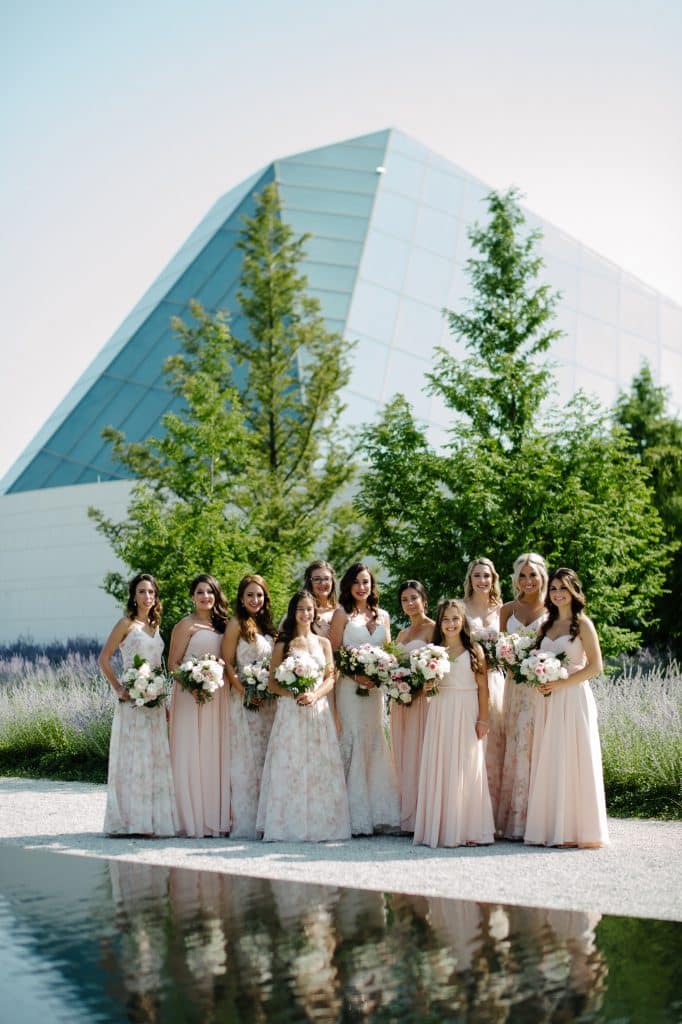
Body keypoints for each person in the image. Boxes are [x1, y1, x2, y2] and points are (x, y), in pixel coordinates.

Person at [524, 568, 609, 847]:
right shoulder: (545, 624)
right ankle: (550, 828)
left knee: (573, 756)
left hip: (572, 697)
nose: (558, 593)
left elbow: (596, 667)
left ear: (574, 591)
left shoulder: (582, 624)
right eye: (554, 588)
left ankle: (576, 829)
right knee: (549, 756)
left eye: (563, 588)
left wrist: (562, 683)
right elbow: (535, 658)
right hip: (547, 699)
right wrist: (538, 675)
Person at [257, 590, 351, 841]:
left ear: (315, 612)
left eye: (310, 609)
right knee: (291, 763)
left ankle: (322, 824)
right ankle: (288, 824)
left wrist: (315, 695)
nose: (306, 613)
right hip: (290, 711)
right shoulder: (283, 644)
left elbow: (331, 677)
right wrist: (294, 693)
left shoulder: (324, 643)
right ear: (293, 612)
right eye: (301, 609)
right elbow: (272, 684)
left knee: (319, 763)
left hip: (317, 710)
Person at [100, 573, 177, 837]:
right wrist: (120, 688)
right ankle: (129, 821)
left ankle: (151, 821)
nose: (147, 597)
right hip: (133, 701)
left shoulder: (155, 627)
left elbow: (158, 667)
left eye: (151, 593)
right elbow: (104, 659)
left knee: (153, 758)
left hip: (154, 701)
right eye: (142, 592)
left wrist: (163, 699)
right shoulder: (126, 624)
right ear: (134, 595)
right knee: (133, 758)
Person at [413, 599, 494, 848]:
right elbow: (428, 688)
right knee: (442, 764)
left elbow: (483, 688)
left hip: (467, 710)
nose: (450, 624)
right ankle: (441, 827)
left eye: (455, 619)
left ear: (463, 621)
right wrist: (427, 686)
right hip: (441, 710)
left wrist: (483, 719)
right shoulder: (432, 650)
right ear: (440, 622)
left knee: (467, 766)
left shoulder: (474, 650)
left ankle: (468, 828)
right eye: (446, 619)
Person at [329, 562, 400, 836]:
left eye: (366, 582)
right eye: (357, 582)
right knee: (354, 736)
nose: (362, 587)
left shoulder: (383, 615)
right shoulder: (341, 614)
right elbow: (334, 653)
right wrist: (357, 676)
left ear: (372, 586)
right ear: (349, 585)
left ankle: (377, 811)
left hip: (375, 691)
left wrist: (381, 672)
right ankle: (351, 814)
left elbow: (390, 651)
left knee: (375, 739)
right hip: (349, 687)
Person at [168, 574, 230, 837]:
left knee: (213, 751)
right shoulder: (185, 625)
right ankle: (187, 819)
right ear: (192, 596)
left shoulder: (223, 625)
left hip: (217, 696)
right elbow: (173, 663)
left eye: (210, 592)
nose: (206, 597)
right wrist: (193, 682)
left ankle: (212, 818)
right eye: (200, 592)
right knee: (190, 751)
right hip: (189, 695)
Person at [497, 552, 548, 840]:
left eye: (533, 574)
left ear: (542, 576)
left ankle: (540, 818)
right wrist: (511, 658)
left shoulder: (552, 609)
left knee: (538, 745)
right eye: (523, 575)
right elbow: (501, 651)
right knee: (516, 744)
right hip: (515, 686)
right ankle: (515, 821)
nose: (528, 580)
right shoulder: (507, 610)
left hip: (540, 688)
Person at [221, 573, 277, 838]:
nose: (255, 599)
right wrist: (246, 691)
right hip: (245, 700)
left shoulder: (269, 627)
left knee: (267, 757)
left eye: (259, 595)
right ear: (241, 599)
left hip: (268, 702)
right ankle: (246, 821)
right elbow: (227, 663)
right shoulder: (236, 624)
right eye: (250, 595)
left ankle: (267, 818)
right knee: (247, 759)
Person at [463, 558, 506, 828]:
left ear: (494, 579)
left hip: (497, 681)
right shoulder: (461, 608)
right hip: (469, 681)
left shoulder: (502, 610)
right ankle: (471, 812)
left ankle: (495, 814)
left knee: (497, 743)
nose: (482, 580)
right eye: (477, 575)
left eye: (486, 576)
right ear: (470, 579)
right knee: (472, 745)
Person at [391, 580, 434, 833]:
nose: (409, 603)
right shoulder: (401, 634)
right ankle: (408, 816)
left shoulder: (434, 629)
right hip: (402, 702)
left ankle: (424, 815)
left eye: (414, 598)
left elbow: (438, 665)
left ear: (424, 600)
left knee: (421, 754)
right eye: (405, 599)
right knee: (404, 754)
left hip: (422, 701)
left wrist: (417, 689)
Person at [303, 560, 339, 637]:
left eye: (326, 579)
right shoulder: (300, 611)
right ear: (309, 583)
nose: (322, 583)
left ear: (332, 582)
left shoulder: (341, 610)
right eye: (317, 579)